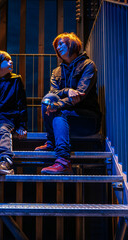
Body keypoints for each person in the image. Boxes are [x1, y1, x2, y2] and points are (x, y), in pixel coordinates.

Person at [35, 32, 101, 175]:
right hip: (65, 117)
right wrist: (67, 90)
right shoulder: (57, 71)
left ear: (72, 44)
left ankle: (63, 160)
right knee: (48, 99)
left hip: (86, 119)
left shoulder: (87, 65)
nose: (58, 48)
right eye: (56, 46)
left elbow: (80, 95)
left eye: (61, 44)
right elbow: (54, 92)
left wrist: (58, 105)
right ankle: (52, 142)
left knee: (59, 110)